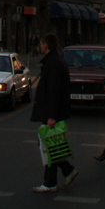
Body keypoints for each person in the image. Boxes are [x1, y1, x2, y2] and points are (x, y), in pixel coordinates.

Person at [31, 33, 78, 193]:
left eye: (41, 43)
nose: (40, 46)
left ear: (46, 45)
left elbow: (53, 91)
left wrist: (51, 116)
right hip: (52, 112)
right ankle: (66, 171)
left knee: (47, 145)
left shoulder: (54, 63)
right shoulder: (55, 61)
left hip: (52, 113)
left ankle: (52, 181)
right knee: (50, 144)